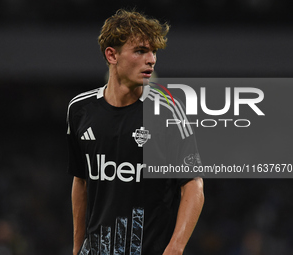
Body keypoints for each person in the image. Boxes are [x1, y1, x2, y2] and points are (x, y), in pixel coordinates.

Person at [66, 9, 204, 255]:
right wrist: (77, 248)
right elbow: (81, 181)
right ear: (112, 55)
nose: (151, 59)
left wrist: (176, 247)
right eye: (140, 51)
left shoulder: (169, 111)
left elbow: (193, 185)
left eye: (154, 52)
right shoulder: (79, 110)